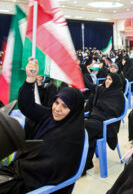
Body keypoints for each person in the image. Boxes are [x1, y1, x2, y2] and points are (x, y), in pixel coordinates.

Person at [0, 58, 85, 193]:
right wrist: (30, 79)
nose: (57, 109)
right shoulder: (49, 116)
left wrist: (21, 167)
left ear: (73, 111)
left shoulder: (72, 135)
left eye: (64, 106)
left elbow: (52, 166)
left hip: (35, 181)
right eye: (56, 103)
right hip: (23, 169)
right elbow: (27, 106)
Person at [84, 73, 125, 173]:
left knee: (85, 127)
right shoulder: (102, 90)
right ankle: (84, 162)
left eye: (110, 79)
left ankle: (85, 163)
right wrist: (79, 71)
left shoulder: (118, 95)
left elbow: (115, 112)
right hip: (95, 119)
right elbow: (89, 84)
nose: (107, 81)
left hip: (106, 124)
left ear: (115, 82)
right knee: (78, 124)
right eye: (106, 78)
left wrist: (101, 105)